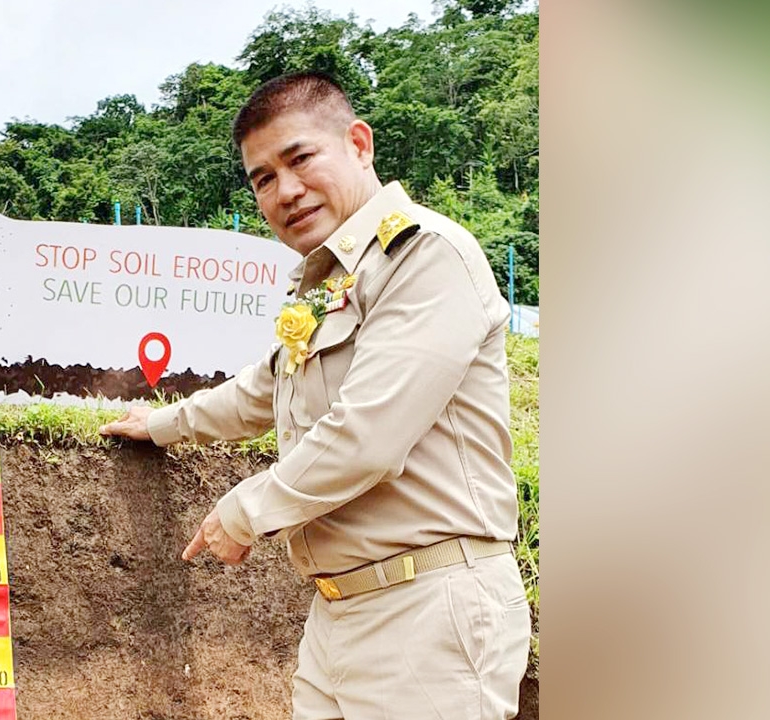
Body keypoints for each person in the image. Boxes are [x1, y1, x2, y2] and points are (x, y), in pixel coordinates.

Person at [99, 72, 531, 720]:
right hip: (339, 611)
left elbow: (368, 437)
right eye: (263, 178)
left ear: (359, 144)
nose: (285, 191)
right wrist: (162, 423)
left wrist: (244, 512)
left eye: (300, 158)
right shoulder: (331, 280)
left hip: (429, 613)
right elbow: (268, 387)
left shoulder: (426, 257)